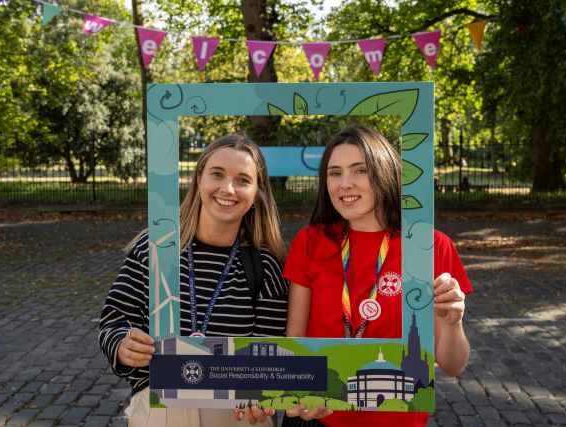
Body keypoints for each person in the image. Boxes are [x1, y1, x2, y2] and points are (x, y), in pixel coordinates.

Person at [280, 125, 473, 427]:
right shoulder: (310, 242)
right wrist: (300, 395)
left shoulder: (430, 246)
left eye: (360, 170)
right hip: (319, 420)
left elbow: (453, 366)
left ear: (385, 173)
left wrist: (453, 323)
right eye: (334, 173)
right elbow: (296, 347)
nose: (345, 184)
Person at [99, 134, 287, 427]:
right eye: (217, 174)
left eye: (242, 180)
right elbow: (115, 319)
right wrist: (122, 345)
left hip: (235, 413)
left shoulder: (265, 264)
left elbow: (269, 349)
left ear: (256, 194)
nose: (228, 188)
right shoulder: (156, 248)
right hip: (163, 409)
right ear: (199, 179)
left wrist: (261, 397)